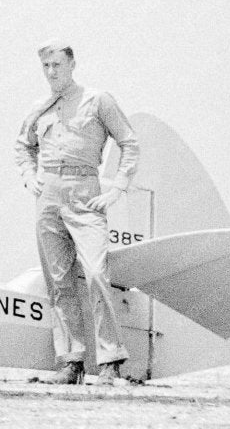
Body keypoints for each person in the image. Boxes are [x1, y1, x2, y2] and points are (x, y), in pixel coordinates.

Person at [16, 43, 141, 385]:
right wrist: (29, 177)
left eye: (57, 64)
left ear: (73, 64)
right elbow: (23, 145)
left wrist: (117, 188)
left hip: (85, 190)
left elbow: (129, 143)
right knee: (58, 282)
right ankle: (71, 362)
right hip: (48, 194)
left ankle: (111, 361)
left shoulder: (97, 100)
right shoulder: (40, 109)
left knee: (97, 274)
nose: (52, 71)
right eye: (46, 65)